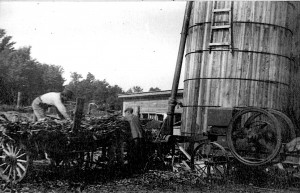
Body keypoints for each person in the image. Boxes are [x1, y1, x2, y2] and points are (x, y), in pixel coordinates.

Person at [122, 107, 144, 174]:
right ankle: (137, 168)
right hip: (139, 137)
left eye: (125, 113)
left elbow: (121, 120)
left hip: (133, 138)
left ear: (128, 112)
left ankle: (132, 169)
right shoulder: (136, 117)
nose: (125, 114)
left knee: (132, 153)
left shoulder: (128, 117)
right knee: (137, 153)